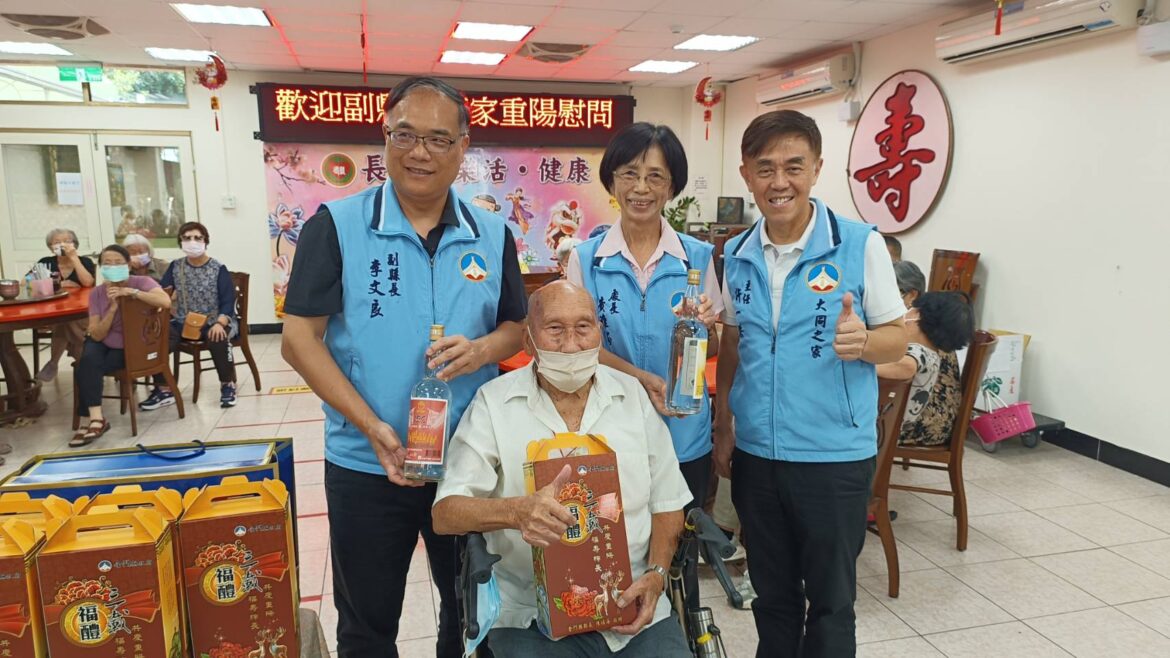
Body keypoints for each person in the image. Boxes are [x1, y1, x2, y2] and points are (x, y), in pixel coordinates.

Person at [280, 76, 527, 658]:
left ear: (463, 147)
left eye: (439, 139)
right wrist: (371, 426)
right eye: (405, 136)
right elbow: (298, 340)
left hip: (468, 460)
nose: (420, 153)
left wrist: (482, 350)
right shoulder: (335, 225)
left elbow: (516, 327)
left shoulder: (492, 233)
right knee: (367, 625)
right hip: (367, 461)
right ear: (384, 137)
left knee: (472, 614)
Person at [713, 109, 907, 658]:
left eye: (793, 167)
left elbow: (898, 338)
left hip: (832, 457)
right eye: (765, 168)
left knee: (830, 603)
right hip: (757, 456)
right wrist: (724, 422)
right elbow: (733, 342)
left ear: (817, 169)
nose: (780, 182)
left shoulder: (860, 244)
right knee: (772, 596)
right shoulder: (737, 253)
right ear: (746, 173)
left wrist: (864, 342)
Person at [433, 281, 692, 657]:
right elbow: (445, 513)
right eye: (554, 329)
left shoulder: (632, 396)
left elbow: (668, 501)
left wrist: (656, 575)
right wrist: (515, 512)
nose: (571, 345)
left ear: (599, 333)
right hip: (530, 615)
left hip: (633, 602)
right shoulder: (494, 403)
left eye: (583, 327)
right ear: (528, 340)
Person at [565, 122, 721, 613]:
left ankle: (682, 637)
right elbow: (579, 346)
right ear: (611, 181)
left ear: (672, 187)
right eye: (629, 173)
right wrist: (642, 379)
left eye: (656, 176)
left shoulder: (698, 257)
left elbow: (714, 342)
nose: (641, 188)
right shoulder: (586, 260)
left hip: (684, 434)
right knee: (613, 548)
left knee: (679, 556)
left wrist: (705, 328)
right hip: (611, 431)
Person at [71, 244, 171, 447]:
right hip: (104, 341)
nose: (113, 266)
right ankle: (96, 418)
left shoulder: (142, 282)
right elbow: (96, 334)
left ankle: (90, 420)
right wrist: (112, 308)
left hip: (133, 346)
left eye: (118, 262)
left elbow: (165, 301)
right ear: (101, 267)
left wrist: (131, 292)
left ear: (128, 265)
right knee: (88, 358)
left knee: (85, 367)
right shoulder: (97, 293)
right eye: (107, 263)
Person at [139, 221, 239, 411]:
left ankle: (227, 384)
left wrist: (220, 323)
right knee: (155, 338)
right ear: (180, 242)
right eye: (187, 238)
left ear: (205, 241)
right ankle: (164, 388)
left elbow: (228, 301)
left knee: (217, 337)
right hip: (183, 321)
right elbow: (162, 292)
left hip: (214, 320)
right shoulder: (176, 267)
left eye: (197, 238)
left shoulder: (218, 268)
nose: (192, 242)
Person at [877, 292, 974, 447]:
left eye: (911, 308)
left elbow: (907, 366)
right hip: (897, 425)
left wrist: (862, 367)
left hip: (888, 429)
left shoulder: (919, 351)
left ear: (917, 315)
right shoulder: (933, 353)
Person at [35, 228, 96, 382]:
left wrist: (74, 258)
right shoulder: (45, 263)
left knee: (66, 321)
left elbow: (88, 282)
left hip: (83, 312)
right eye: (56, 242)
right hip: (52, 312)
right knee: (66, 320)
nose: (62, 245)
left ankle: (53, 362)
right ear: (50, 247)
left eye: (67, 241)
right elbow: (26, 284)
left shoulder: (85, 262)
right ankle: (86, 358)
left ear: (75, 244)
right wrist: (57, 284)